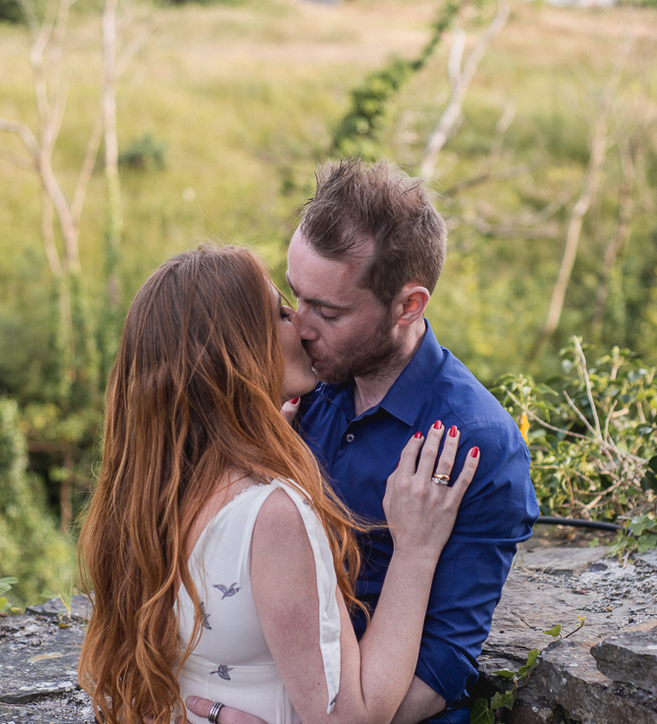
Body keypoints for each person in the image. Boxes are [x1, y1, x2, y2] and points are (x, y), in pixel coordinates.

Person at [192, 160, 539, 724]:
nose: (300, 328)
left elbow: (435, 676)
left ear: (408, 306)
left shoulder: (476, 446)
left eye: (328, 312)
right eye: (296, 297)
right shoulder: (295, 389)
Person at [77, 244, 479, 724]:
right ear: (239, 350)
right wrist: (415, 551)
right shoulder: (274, 516)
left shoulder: (147, 495)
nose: (303, 326)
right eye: (283, 313)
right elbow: (352, 718)